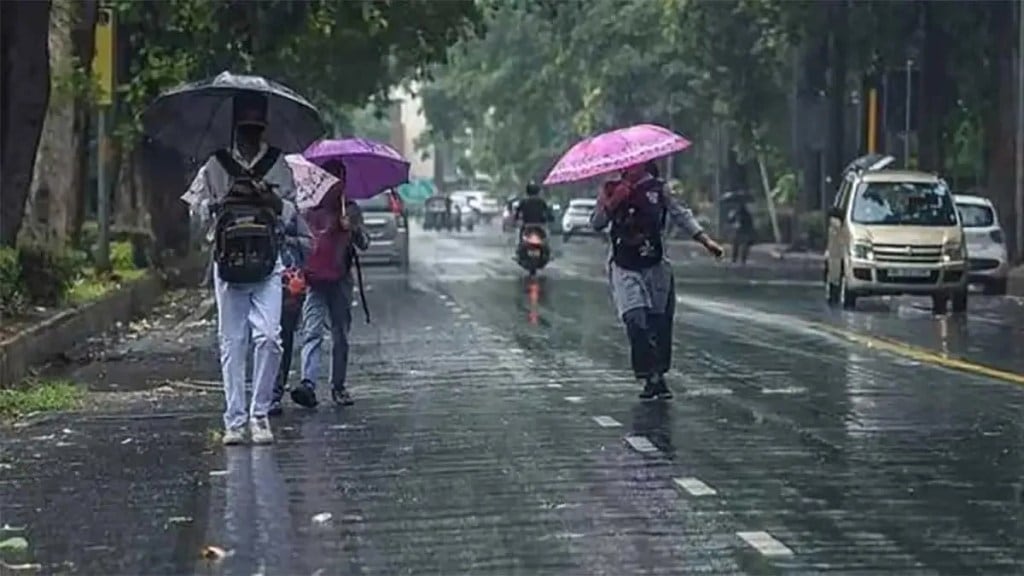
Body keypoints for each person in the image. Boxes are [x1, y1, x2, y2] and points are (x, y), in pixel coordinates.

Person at [198, 92, 297, 445]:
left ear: (263, 128)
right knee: (232, 342)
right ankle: (235, 420)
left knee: (270, 338)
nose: (250, 135)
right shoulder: (215, 165)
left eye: (255, 128)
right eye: (244, 128)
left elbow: (292, 212)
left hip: (268, 262)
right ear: (234, 128)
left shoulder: (277, 163)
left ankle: (260, 414)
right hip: (228, 265)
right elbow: (195, 210)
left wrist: (270, 198)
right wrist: (218, 204)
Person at [591, 160, 724, 400]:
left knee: (658, 324)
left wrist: (705, 241)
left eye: (636, 163)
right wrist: (613, 201)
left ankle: (657, 377)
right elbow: (597, 223)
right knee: (635, 318)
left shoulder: (658, 189)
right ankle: (646, 373)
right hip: (624, 266)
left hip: (655, 266)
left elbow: (680, 215)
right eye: (626, 164)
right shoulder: (609, 189)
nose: (630, 168)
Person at [295, 160, 370, 408]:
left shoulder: (349, 208)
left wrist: (353, 229)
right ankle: (308, 384)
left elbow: (364, 243)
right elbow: (298, 238)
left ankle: (338, 385)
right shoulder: (309, 207)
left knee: (340, 333)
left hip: (340, 279)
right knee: (312, 331)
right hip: (315, 279)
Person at [270, 216, 311, 417]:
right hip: (260, 279)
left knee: (284, 339)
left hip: (288, 288)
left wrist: (287, 239)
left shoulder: (291, 211)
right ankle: (268, 392)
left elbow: (308, 243)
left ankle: (275, 392)